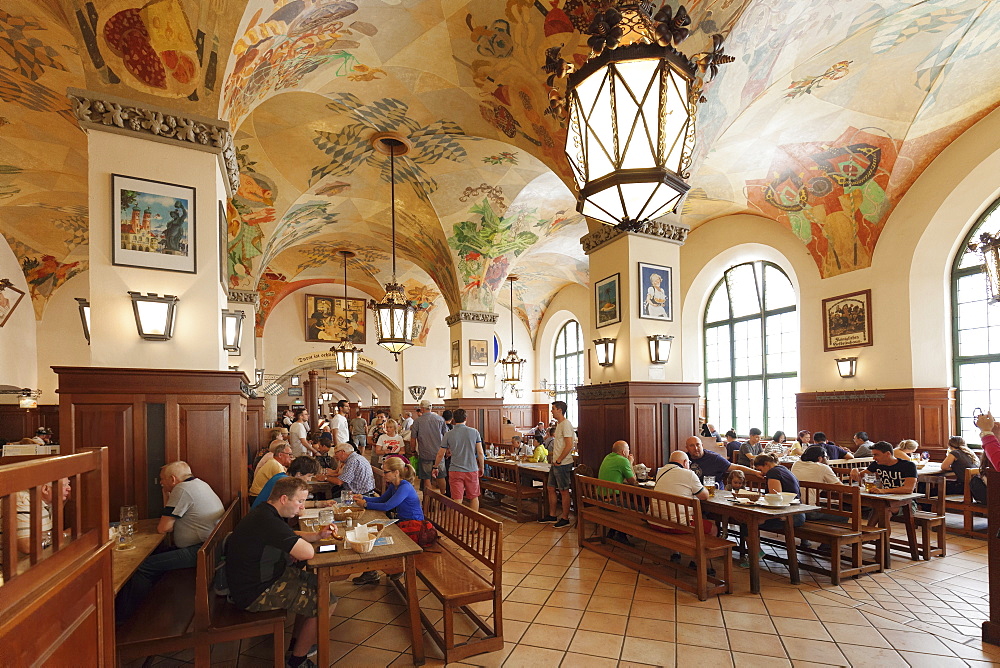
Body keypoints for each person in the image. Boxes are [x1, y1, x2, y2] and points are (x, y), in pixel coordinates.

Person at [226, 477, 340, 668]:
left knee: (317, 586)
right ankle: (297, 661)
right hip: (255, 592)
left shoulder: (265, 513)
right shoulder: (268, 521)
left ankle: (297, 644)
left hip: (260, 579)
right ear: (284, 499)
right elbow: (307, 553)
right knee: (326, 600)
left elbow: (288, 536)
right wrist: (297, 548)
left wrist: (317, 536)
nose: (302, 507)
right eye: (300, 501)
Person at [117, 462, 224, 618]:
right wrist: (166, 493)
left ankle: (129, 617)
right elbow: (168, 522)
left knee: (143, 567)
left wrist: (169, 493)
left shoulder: (182, 490)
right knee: (152, 559)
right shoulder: (199, 483)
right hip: (209, 547)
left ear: (173, 479)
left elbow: (164, 528)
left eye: (162, 479)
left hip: (199, 551)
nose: (160, 482)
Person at [351, 455, 423, 586]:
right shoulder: (394, 485)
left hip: (414, 526)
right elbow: (382, 499)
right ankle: (372, 572)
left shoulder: (404, 487)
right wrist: (364, 498)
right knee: (373, 533)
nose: (383, 475)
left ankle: (385, 569)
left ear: (396, 472)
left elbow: (387, 506)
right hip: (402, 521)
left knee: (376, 537)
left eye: (386, 472)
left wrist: (366, 504)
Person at [436, 408, 485, 511]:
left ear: (453, 419)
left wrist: (435, 466)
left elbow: (441, 453)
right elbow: (480, 452)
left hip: (455, 469)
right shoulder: (474, 432)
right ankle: (474, 522)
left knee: (457, 499)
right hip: (471, 469)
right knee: (474, 497)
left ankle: (457, 524)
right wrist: (482, 466)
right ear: (466, 418)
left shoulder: (448, 434)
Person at [539, 401, 576, 528]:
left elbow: (569, 445)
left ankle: (565, 518)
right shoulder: (558, 424)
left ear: (560, 410)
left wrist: (559, 459)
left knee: (564, 490)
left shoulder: (566, 424)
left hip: (563, 463)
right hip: (556, 463)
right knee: (550, 488)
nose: (551, 411)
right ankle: (552, 515)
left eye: (553, 409)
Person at [14, 476, 70, 554]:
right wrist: (64, 535)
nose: (69, 488)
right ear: (45, 489)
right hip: (20, 564)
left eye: (68, 483)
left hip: (35, 560)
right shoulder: (24, 499)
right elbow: (27, 546)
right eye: (64, 485)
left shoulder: (49, 501)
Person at [597, 441, 637, 544]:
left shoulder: (607, 457)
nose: (629, 452)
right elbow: (634, 482)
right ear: (624, 452)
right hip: (610, 501)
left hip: (600, 499)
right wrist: (630, 462)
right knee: (640, 509)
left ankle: (613, 532)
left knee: (625, 502)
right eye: (628, 450)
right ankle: (621, 535)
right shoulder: (623, 461)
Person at [252, 456, 326, 509]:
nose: (309, 480)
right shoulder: (286, 483)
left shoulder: (282, 476)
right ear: (299, 474)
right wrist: (320, 503)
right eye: (309, 476)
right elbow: (296, 506)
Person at [684, 436, 758, 487]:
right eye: (692, 446)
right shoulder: (684, 458)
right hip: (693, 493)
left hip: (714, 493)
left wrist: (755, 472)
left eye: (698, 445)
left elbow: (735, 467)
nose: (696, 448)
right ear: (687, 448)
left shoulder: (714, 458)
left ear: (702, 445)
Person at [850, 441, 917, 494]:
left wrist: (884, 491)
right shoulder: (876, 464)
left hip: (905, 500)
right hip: (885, 498)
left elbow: (908, 489)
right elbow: (859, 476)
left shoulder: (908, 465)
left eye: (876, 455)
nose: (874, 458)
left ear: (888, 454)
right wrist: (855, 470)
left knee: (888, 508)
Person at [411, 398, 448, 493]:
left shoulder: (418, 421)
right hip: (439, 453)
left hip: (425, 453)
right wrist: (447, 450)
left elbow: (413, 438)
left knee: (426, 477)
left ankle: (428, 500)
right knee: (441, 476)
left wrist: (413, 450)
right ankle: (443, 497)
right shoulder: (440, 419)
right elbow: (446, 435)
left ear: (422, 409)